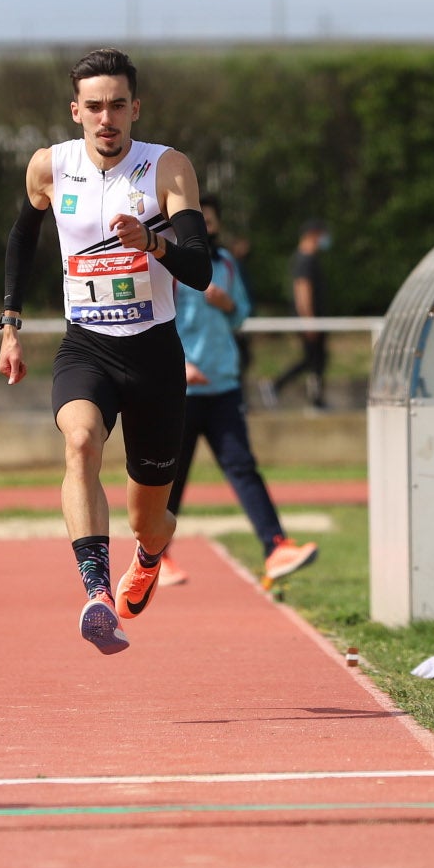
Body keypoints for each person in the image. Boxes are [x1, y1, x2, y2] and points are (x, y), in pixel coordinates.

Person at [0, 48, 214, 654]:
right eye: (94, 106)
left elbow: (200, 268)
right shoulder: (50, 167)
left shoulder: (168, 169)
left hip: (153, 355)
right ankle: (95, 594)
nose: (106, 117)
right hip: (85, 347)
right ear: (76, 112)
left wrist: (153, 242)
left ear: (134, 108)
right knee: (80, 441)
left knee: (150, 515)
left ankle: (146, 559)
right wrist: (10, 323)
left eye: (118, 104)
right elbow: (22, 235)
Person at [162, 195, 317, 588]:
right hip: (179, 391)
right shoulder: (165, 265)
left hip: (224, 385)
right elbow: (151, 323)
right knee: (170, 478)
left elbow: (243, 314)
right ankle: (155, 556)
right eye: (198, 221)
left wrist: (229, 303)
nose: (205, 228)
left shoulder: (227, 264)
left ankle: (276, 547)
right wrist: (177, 365)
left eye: (210, 222)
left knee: (243, 467)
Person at [270, 219, 330, 409]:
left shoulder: (307, 259)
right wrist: (309, 321)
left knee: (315, 359)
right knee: (312, 359)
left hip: (313, 320)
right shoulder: (305, 259)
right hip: (310, 321)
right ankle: (278, 385)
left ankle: (313, 397)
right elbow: (302, 291)